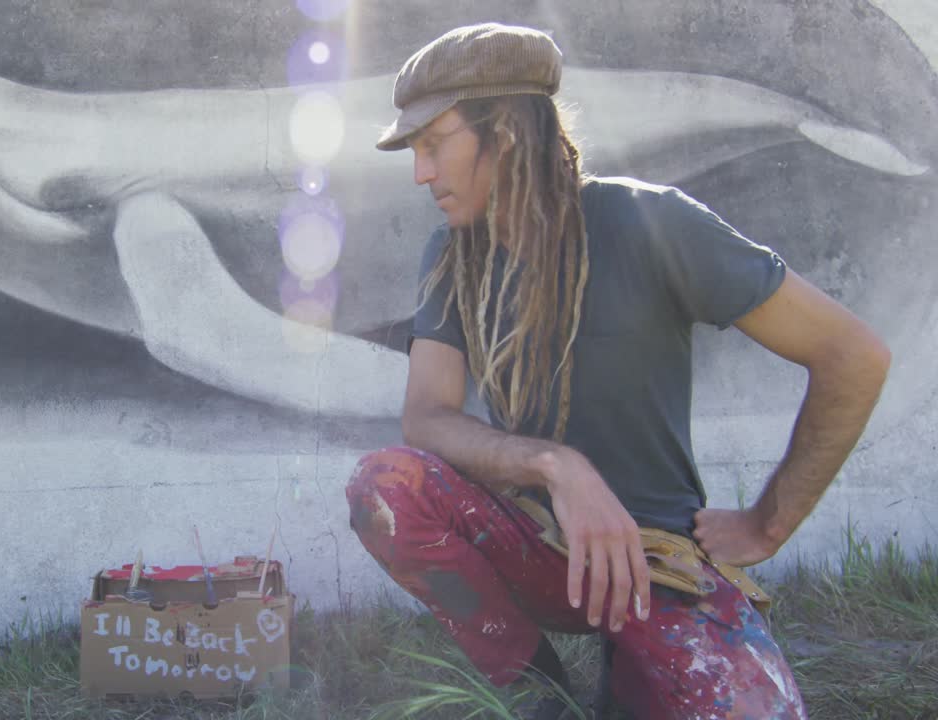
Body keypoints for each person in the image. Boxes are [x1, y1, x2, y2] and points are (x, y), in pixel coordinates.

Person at [345, 23, 890, 720]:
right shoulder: (451, 255)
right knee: (385, 486)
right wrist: (556, 466)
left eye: (432, 145)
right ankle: (539, 697)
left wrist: (767, 523)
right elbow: (426, 415)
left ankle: (632, 678)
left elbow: (853, 355)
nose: (421, 173)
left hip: (655, 562)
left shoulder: (650, 222)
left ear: (505, 132)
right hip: (536, 542)